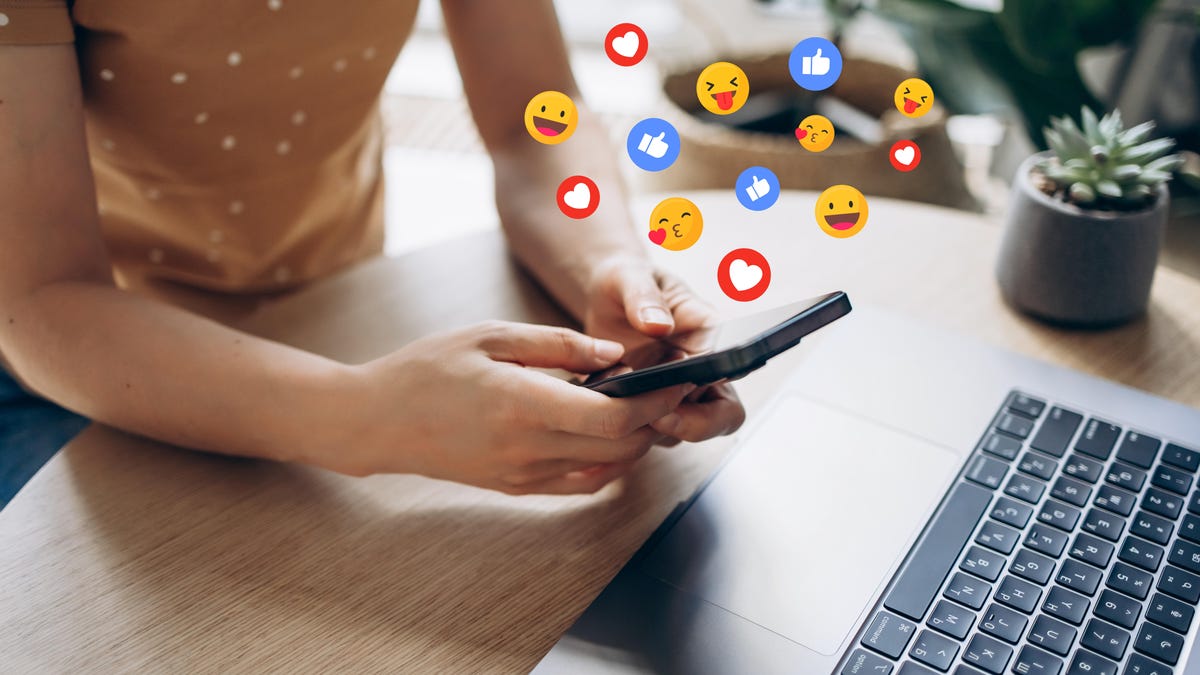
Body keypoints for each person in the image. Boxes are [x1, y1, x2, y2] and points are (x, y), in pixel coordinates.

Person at [0, 1, 745, 505]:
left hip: (345, 306)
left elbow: (533, 117)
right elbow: (40, 298)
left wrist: (604, 262)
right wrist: (368, 419)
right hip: (83, 370)